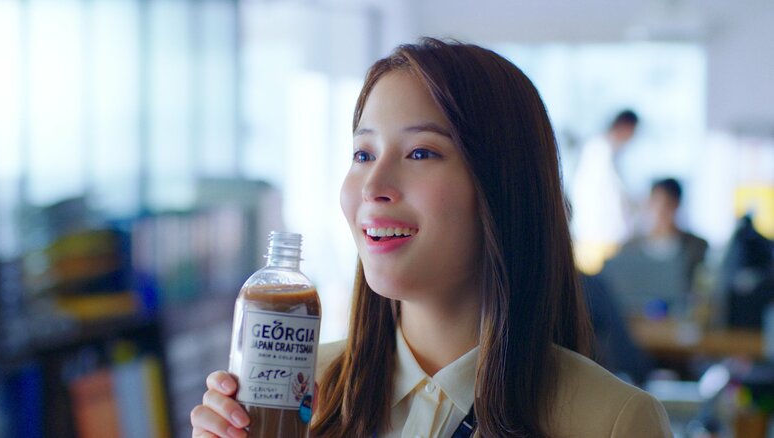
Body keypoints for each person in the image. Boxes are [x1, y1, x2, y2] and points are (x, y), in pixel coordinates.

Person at [190, 38, 670, 437]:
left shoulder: (614, 422)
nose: (373, 186)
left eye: (420, 153)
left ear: (504, 186)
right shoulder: (297, 395)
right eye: (363, 154)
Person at [602, 178, 708, 316]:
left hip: (678, 319)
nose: (661, 212)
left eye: (667, 205)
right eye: (656, 204)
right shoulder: (629, 248)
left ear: (677, 205)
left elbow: (701, 290)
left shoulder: (696, 247)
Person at [570, 109, 639, 274]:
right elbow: (595, 197)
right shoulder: (598, 151)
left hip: (608, 240)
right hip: (596, 239)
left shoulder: (610, 152)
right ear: (625, 126)